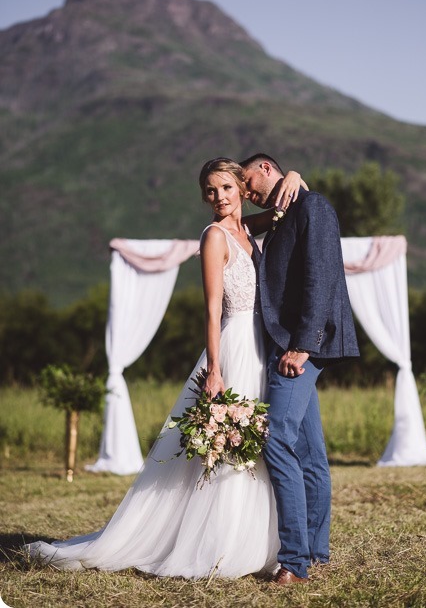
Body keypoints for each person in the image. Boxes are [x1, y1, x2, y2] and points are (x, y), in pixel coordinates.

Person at [25, 158, 303, 579]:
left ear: (242, 189)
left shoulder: (246, 229)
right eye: (210, 191)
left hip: (261, 347)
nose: (219, 197)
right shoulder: (213, 237)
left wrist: (296, 175)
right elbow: (212, 311)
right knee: (225, 448)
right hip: (232, 347)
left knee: (257, 447)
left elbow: (288, 204)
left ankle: (257, 539)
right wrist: (214, 370)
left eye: (226, 188)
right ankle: (218, 543)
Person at [239, 153, 360, 585]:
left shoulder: (314, 208)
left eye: (248, 179)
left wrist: (303, 346)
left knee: (275, 438)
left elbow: (320, 277)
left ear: (267, 168)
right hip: (287, 344)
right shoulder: (282, 213)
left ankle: (293, 561)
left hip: (301, 346)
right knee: (309, 452)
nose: (246, 190)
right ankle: (315, 551)